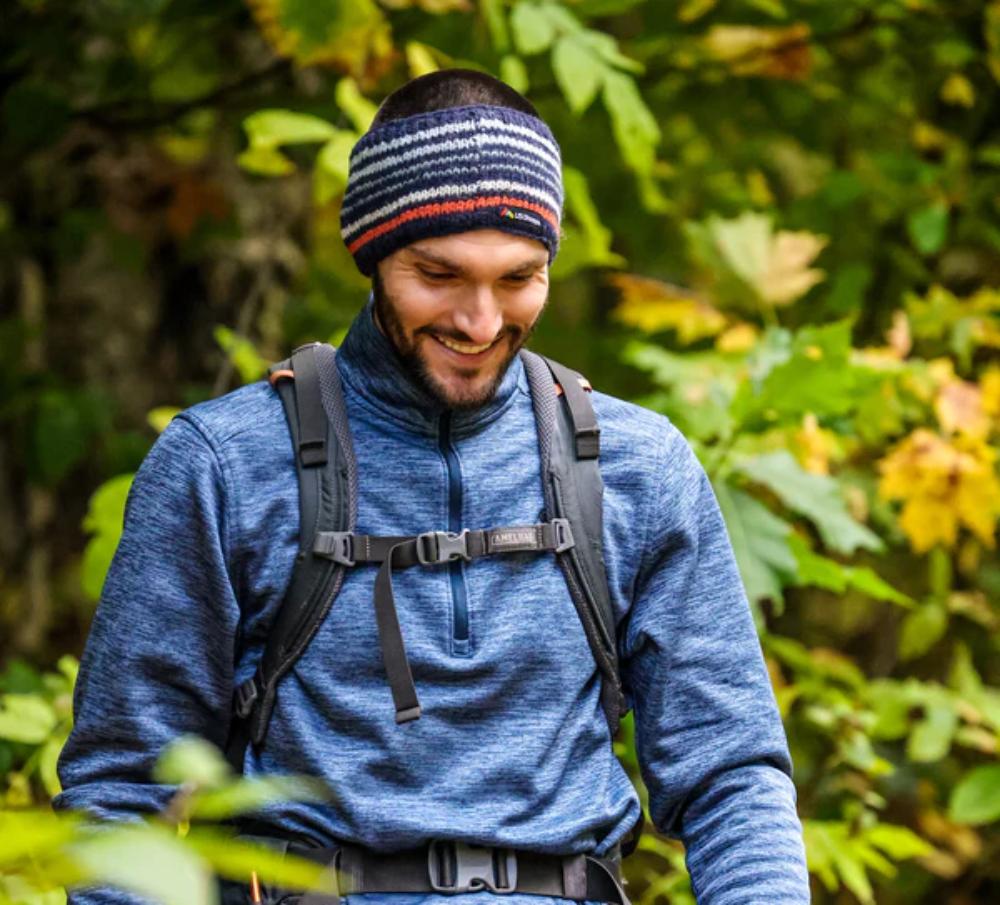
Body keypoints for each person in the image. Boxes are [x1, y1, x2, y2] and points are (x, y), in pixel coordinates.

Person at [55, 69, 810, 904]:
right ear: (372, 253)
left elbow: (730, 774)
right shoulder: (225, 464)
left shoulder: (636, 467)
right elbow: (126, 789)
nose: (481, 322)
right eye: (440, 274)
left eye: (519, 278)